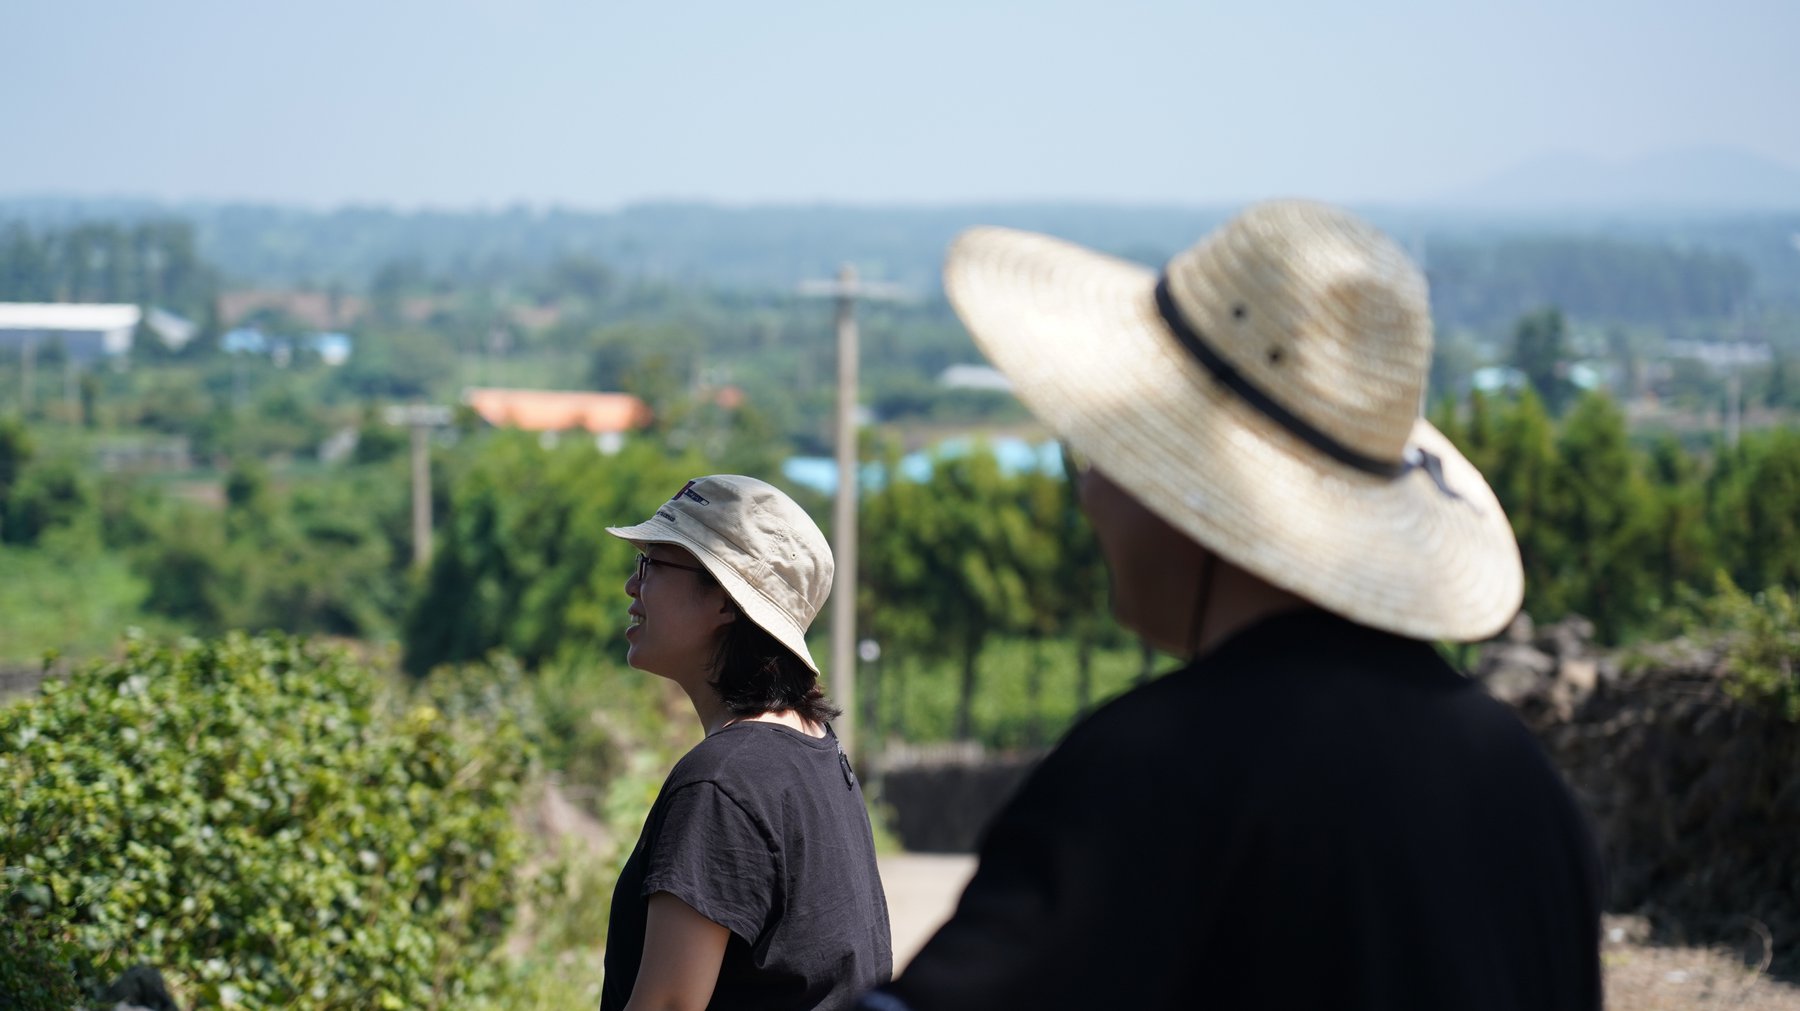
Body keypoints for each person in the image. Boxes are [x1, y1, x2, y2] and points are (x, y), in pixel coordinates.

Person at [859, 201, 1602, 1010]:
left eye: (1105, 450)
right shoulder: (1525, 787)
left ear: (1196, 498)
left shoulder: (1157, 773)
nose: (1091, 492)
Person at [601, 475, 892, 1011]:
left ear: (726, 602)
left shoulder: (721, 782)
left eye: (652, 564)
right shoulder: (817, 755)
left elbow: (667, 1004)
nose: (631, 586)